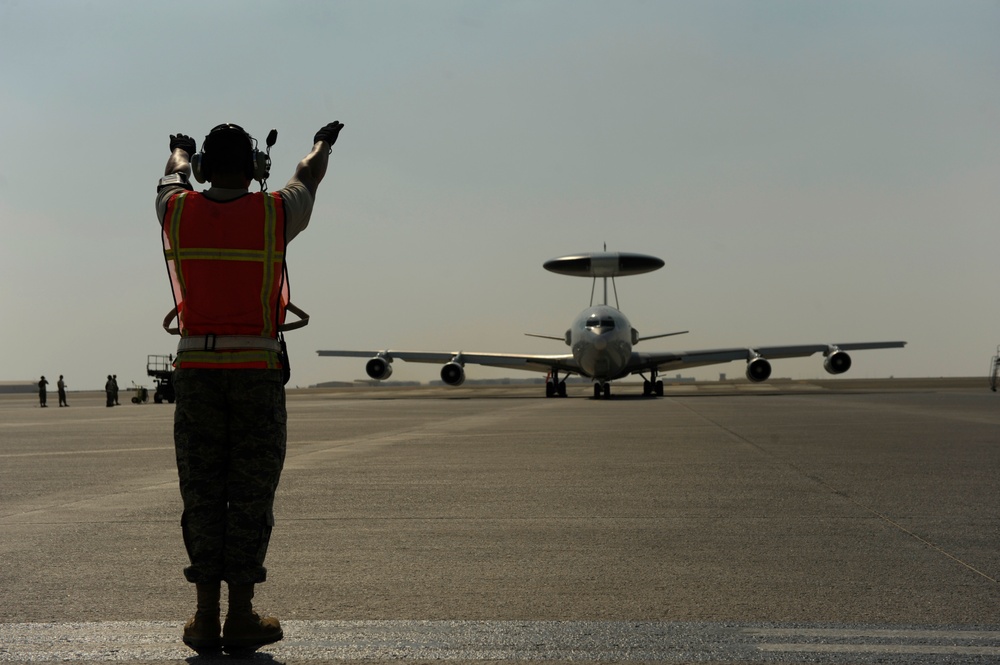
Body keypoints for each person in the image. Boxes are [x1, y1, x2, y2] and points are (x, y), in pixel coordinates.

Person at [155, 120, 343, 655]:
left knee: (203, 495)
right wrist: (323, 142)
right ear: (257, 167)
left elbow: (172, 176)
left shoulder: (178, 210)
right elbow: (309, 173)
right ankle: (240, 617)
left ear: (209, 168)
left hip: (196, 375)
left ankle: (204, 616)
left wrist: (179, 150)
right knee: (251, 496)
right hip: (257, 375)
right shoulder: (275, 212)